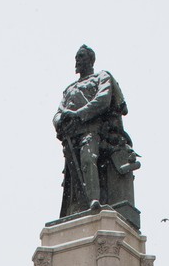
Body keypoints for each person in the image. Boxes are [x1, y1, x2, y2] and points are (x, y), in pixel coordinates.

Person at [53, 44, 140, 220]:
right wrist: (59, 122)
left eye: (81, 56)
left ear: (91, 60)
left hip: (93, 130)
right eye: (76, 57)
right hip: (71, 136)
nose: (77, 60)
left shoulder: (101, 77)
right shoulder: (69, 89)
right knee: (72, 178)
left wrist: (78, 115)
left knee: (88, 158)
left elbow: (102, 100)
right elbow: (58, 111)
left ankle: (94, 200)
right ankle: (78, 208)